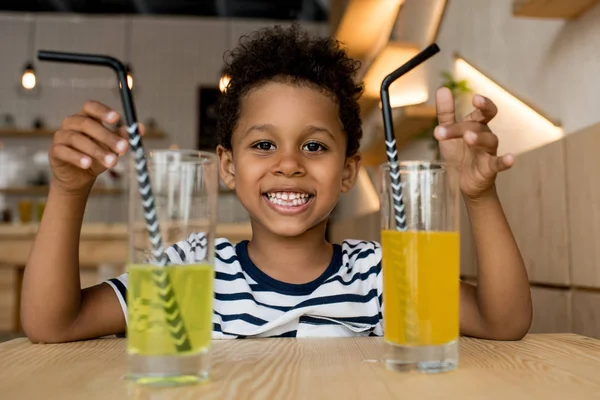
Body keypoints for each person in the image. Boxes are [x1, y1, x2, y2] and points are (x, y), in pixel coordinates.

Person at [20, 24, 532, 343]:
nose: (289, 164)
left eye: (315, 146)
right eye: (263, 145)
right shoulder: (190, 274)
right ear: (227, 166)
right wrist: (68, 190)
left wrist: (479, 196)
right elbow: (53, 324)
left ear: (349, 170)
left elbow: (503, 322)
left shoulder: (382, 277)